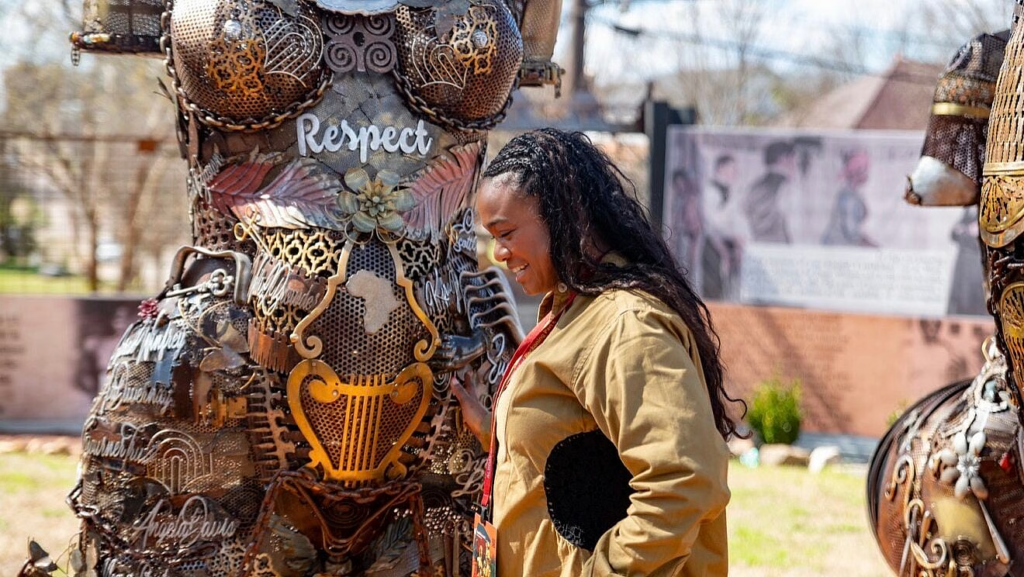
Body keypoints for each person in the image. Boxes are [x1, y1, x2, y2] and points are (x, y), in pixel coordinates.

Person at [452, 129, 742, 576]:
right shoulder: (573, 309)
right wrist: (497, 431)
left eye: (506, 232)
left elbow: (684, 478)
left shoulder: (626, 325)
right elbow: (581, 452)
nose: (498, 252)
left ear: (561, 214)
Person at [744, 140, 796, 243]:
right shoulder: (784, 187)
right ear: (784, 159)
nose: (795, 165)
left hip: (759, 245)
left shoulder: (755, 185)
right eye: (793, 159)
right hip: (778, 247)